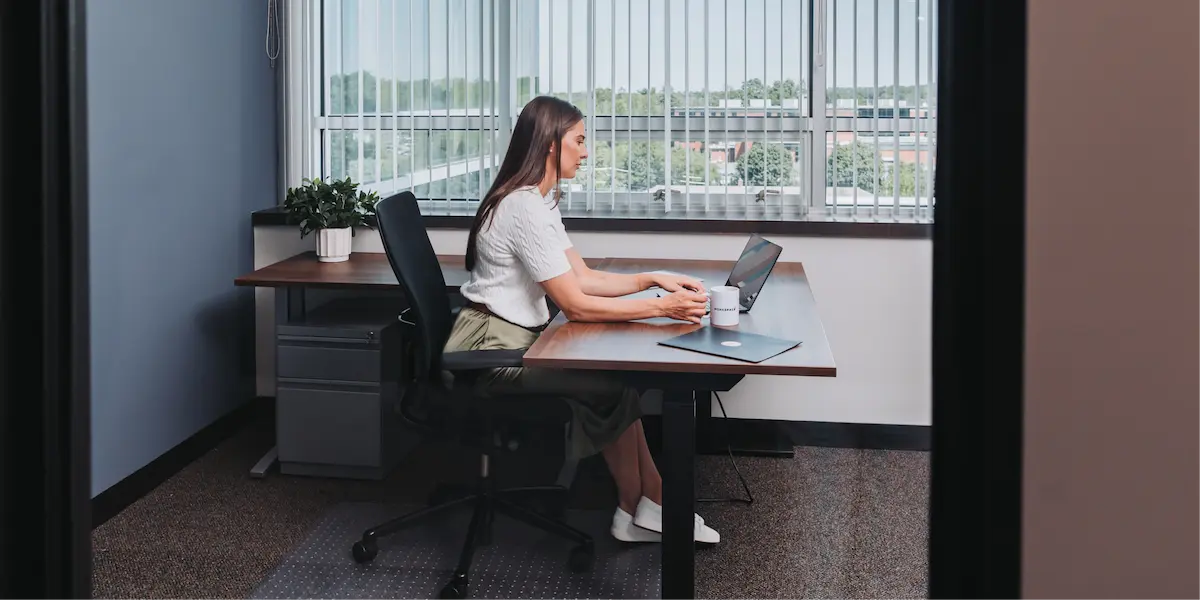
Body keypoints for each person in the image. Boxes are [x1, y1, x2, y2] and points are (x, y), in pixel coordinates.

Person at [447, 96, 720, 545]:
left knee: (618, 384)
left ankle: (644, 508)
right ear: (552, 145)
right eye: (579, 140)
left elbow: (584, 278)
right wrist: (661, 308)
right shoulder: (523, 208)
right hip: (487, 347)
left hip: (515, 334)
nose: (587, 151)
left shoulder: (540, 202)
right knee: (609, 386)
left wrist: (653, 280)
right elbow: (577, 305)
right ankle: (644, 506)